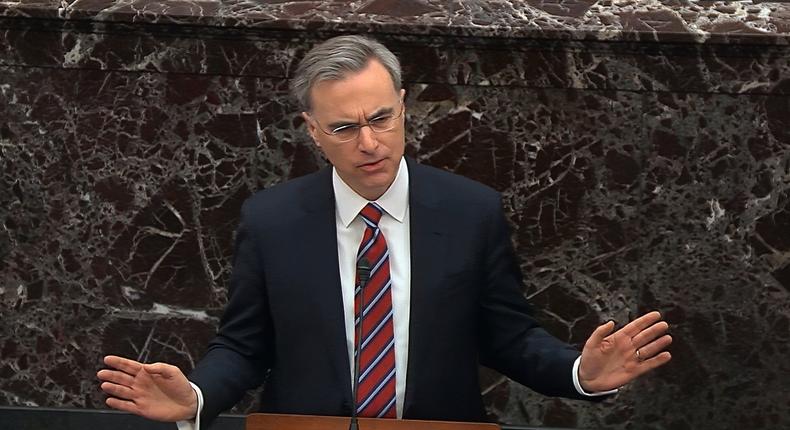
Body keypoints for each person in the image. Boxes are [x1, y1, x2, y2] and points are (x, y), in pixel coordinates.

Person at [97, 35, 672, 429]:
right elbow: (246, 346)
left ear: (402, 106)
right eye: (344, 127)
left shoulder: (471, 212)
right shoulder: (271, 220)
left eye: (381, 119)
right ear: (313, 131)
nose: (368, 143)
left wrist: (582, 374)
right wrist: (194, 399)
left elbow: (510, 338)